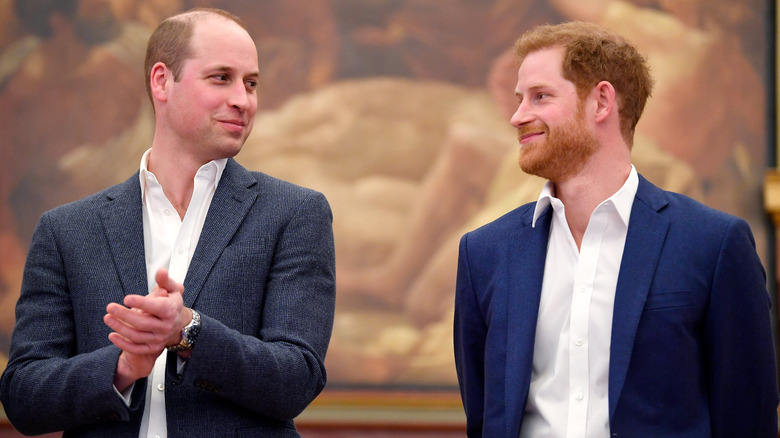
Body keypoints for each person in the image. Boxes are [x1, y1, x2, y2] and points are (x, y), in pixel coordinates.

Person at [0, 7, 336, 437]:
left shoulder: (294, 214)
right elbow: (23, 397)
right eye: (221, 78)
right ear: (162, 81)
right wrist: (121, 368)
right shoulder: (67, 230)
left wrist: (187, 331)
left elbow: (296, 379)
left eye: (251, 83)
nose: (243, 99)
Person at [453, 21, 778, 437]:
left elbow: (747, 418)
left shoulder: (712, 244)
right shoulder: (485, 253)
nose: (518, 117)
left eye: (540, 96)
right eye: (520, 100)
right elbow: (484, 419)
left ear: (601, 101)